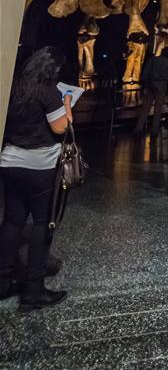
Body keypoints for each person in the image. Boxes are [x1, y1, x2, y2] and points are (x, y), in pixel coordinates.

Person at [0, 47, 71, 309]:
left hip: (9, 161)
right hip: (39, 165)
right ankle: (34, 289)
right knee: (43, 223)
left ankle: (3, 280)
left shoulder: (14, 86)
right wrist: (66, 104)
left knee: (12, 220)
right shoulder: (47, 90)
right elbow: (61, 127)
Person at [134, 38, 168, 136]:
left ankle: (139, 128)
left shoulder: (153, 59)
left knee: (145, 108)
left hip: (151, 84)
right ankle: (154, 130)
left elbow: (146, 72)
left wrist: (144, 84)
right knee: (158, 109)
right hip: (162, 85)